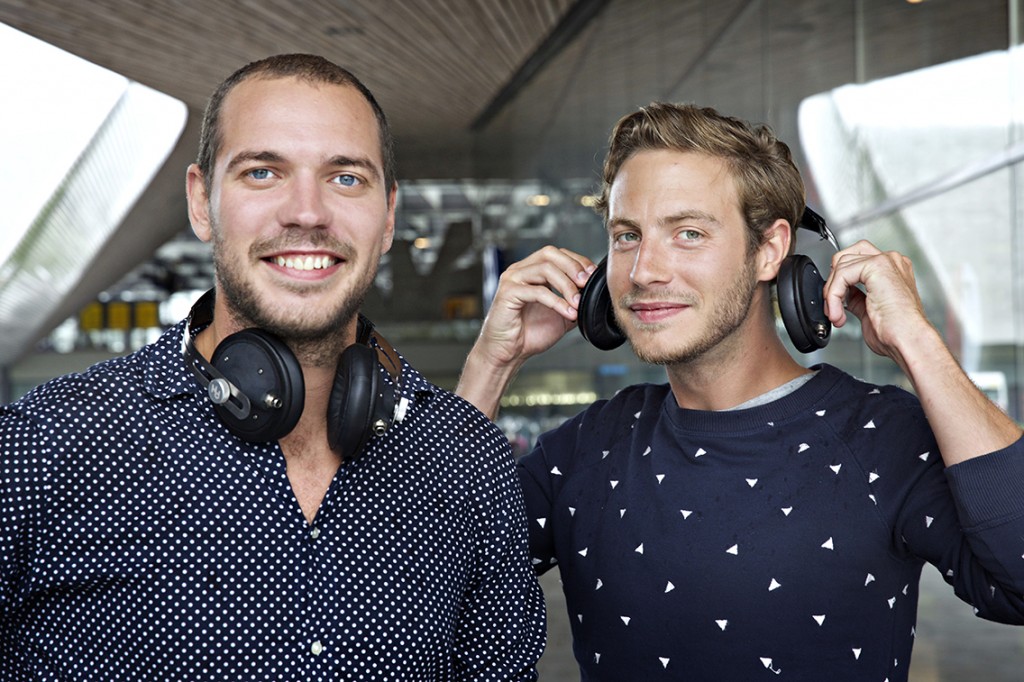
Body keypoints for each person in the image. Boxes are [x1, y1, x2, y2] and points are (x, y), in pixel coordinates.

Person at [0, 54, 545, 680]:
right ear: (202, 202)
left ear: (389, 215)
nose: (307, 213)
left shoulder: (465, 454)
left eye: (346, 178)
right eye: (263, 172)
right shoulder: (43, 445)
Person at [455, 102, 1024, 680]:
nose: (645, 269)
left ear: (770, 250)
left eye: (689, 233)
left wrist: (918, 343)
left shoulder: (881, 436)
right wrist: (491, 363)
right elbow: (427, 593)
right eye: (627, 236)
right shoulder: (585, 448)